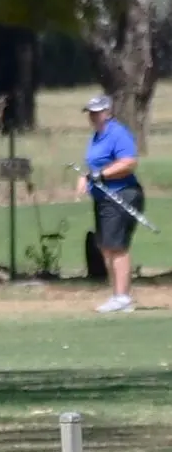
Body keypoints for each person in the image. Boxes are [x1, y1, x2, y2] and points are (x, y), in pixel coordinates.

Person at [77, 95, 143, 313]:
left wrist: (100, 175)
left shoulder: (117, 133)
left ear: (108, 112)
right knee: (106, 246)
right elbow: (96, 167)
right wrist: (87, 177)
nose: (93, 116)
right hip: (104, 197)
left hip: (121, 195)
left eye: (97, 112)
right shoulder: (97, 136)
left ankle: (122, 296)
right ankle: (117, 294)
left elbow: (129, 162)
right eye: (91, 113)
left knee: (116, 246)